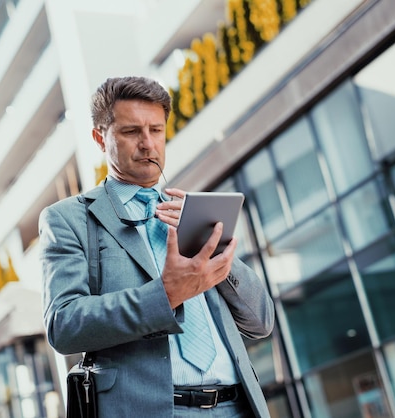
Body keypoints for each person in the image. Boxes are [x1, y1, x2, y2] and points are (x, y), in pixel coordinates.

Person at [39, 76, 275, 417]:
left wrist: (220, 254)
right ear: (99, 137)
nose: (148, 144)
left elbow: (261, 322)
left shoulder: (193, 212)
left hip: (237, 407)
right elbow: (64, 325)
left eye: (156, 130)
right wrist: (164, 296)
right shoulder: (68, 219)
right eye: (132, 131)